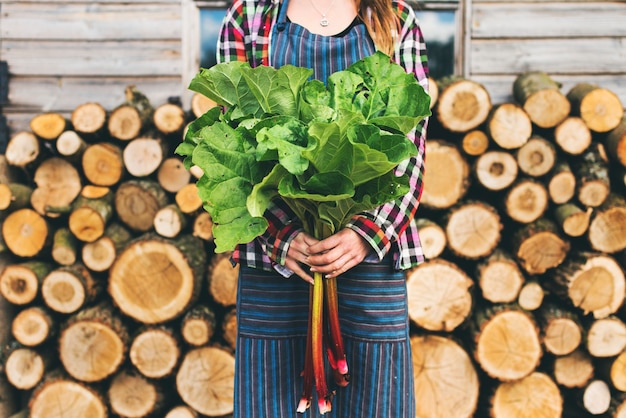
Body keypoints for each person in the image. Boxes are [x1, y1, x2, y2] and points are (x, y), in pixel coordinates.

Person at [216, 0, 429, 416]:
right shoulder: (248, 16)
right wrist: (281, 236)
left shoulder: (395, 17)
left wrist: (366, 234)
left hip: (369, 257)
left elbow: (411, 145)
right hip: (277, 260)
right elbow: (233, 144)